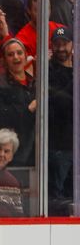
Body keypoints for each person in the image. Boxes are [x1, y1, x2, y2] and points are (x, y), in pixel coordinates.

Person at [0, 38, 35, 166]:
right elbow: (1, 118)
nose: (16, 57)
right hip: (11, 152)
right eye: (10, 54)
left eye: (19, 53)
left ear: (26, 56)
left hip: (36, 150)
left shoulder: (36, 83)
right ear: (5, 60)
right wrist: (29, 110)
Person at [47, 26, 73, 215]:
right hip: (59, 145)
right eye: (57, 44)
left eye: (65, 43)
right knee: (57, 198)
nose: (61, 48)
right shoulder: (49, 71)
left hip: (75, 146)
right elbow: (60, 101)